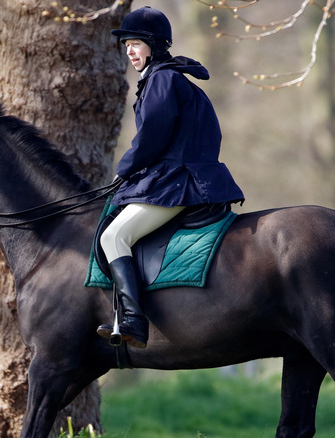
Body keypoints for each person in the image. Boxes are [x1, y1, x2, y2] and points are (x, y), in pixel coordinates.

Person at [98, 6, 244, 348]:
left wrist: (123, 170)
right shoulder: (167, 78)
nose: (129, 50)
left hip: (178, 183)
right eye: (127, 45)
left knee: (113, 237)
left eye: (135, 43)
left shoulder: (163, 79)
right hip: (180, 177)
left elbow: (151, 138)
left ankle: (133, 320)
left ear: (153, 44)